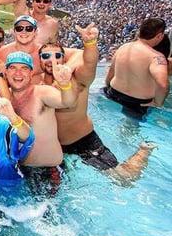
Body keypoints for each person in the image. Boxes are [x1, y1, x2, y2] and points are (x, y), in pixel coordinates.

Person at [38, 26, 156, 182]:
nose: (51, 60)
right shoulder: (37, 84)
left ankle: (144, 150)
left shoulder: (78, 78)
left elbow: (89, 63)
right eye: (45, 56)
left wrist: (90, 43)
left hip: (82, 141)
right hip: (55, 146)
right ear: (39, 59)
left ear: (64, 58)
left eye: (57, 55)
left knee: (123, 179)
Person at [5, 51, 76, 184]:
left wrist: (65, 84)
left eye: (24, 68)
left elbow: (67, 102)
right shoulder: (4, 99)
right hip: (18, 170)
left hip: (49, 171)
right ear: (6, 72)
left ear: (31, 73)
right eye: (13, 68)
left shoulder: (42, 92)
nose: (18, 73)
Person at [105, 17, 169, 117]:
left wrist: (108, 87)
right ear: (159, 36)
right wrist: (157, 103)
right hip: (136, 102)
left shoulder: (124, 47)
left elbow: (110, 74)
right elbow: (163, 85)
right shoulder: (156, 57)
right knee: (130, 129)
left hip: (113, 93)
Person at [0, 15, 42, 82]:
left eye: (29, 28)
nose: (24, 32)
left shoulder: (43, 53)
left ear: (35, 32)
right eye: (19, 28)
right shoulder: (3, 52)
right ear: (13, 31)